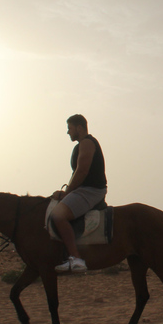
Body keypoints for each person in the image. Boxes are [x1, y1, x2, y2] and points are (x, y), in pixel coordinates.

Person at [51, 114, 107, 273]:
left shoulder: (87, 143)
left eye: (69, 128)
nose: (68, 132)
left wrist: (66, 193)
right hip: (84, 189)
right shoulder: (82, 145)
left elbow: (82, 171)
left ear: (79, 127)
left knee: (58, 215)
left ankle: (76, 259)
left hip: (91, 190)